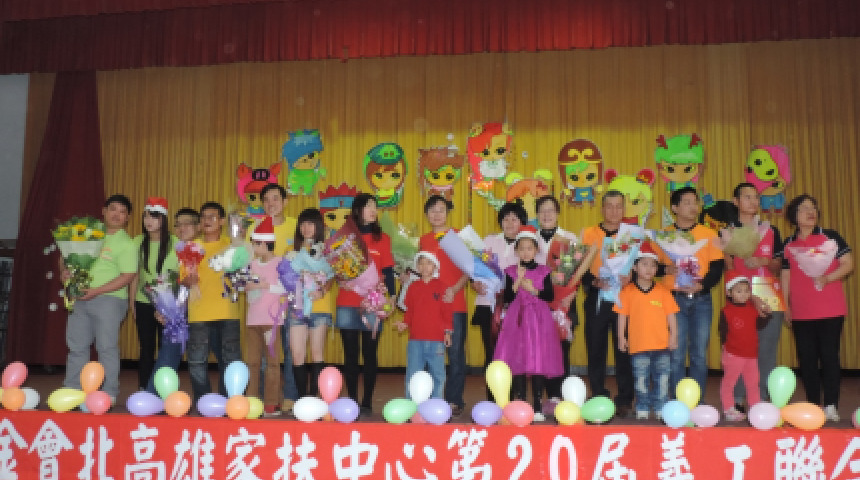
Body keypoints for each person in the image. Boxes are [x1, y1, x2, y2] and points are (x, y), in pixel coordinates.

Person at [780, 194, 853, 422]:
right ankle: (813, 404)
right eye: (804, 208)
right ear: (794, 215)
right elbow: (785, 275)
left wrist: (827, 278)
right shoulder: (788, 243)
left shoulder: (830, 237)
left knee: (830, 357)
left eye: (813, 208)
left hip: (831, 309)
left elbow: (848, 263)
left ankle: (831, 405)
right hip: (802, 311)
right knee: (807, 360)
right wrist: (785, 305)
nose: (811, 212)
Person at [61, 194, 138, 406]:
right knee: (77, 346)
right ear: (104, 211)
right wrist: (64, 272)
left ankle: (108, 392)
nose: (117, 215)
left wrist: (97, 290)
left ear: (127, 218)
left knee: (106, 347)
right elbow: (66, 256)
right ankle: (72, 390)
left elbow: (128, 276)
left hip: (110, 300)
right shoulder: (88, 234)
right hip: (80, 298)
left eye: (122, 212)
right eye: (113, 209)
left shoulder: (127, 244)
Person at [657, 186, 724, 396]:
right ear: (675, 208)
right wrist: (665, 269)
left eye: (695, 202)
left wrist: (702, 285)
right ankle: (676, 400)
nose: (693, 206)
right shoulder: (664, 235)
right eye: (686, 202)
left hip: (701, 299)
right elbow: (649, 266)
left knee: (699, 355)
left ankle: (697, 401)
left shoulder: (709, 234)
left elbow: (717, 267)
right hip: (673, 299)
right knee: (675, 353)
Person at [493, 228, 563, 421]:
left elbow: (549, 295)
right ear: (516, 251)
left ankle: (538, 406)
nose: (525, 252)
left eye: (529, 248)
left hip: (539, 319)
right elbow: (508, 297)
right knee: (518, 359)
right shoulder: (510, 271)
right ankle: (522, 403)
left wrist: (532, 289)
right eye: (522, 248)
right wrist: (518, 280)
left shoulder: (544, 270)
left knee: (538, 360)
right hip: (517, 319)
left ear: (536, 250)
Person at [335, 193, 396, 417]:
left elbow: (388, 270)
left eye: (374, 206)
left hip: (373, 303)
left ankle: (367, 401)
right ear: (357, 210)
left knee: (370, 354)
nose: (373, 210)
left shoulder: (383, 239)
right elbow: (335, 267)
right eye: (368, 206)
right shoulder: (345, 237)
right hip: (347, 301)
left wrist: (391, 297)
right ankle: (351, 400)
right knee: (350, 355)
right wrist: (341, 279)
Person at [727, 182, 785, 411]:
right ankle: (738, 398)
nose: (753, 201)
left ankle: (761, 399)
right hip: (740, 295)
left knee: (767, 349)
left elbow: (778, 265)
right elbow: (729, 268)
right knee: (739, 348)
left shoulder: (771, 230)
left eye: (756, 197)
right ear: (736, 202)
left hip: (769, 292)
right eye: (747, 197)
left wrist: (764, 261)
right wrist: (748, 296)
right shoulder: (729, 231)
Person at [534, 194, 596, 402]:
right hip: (538, 304)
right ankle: (543, 397)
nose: (547, 214)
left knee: (561, 350)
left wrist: (571, 294)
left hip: (564, 303)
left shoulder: (569, 239)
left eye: (551, 210)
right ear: (537, 215)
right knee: (540, 351)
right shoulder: (529, 240)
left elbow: (578, 271)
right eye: (542, 211)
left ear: (558, 213)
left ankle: (559, 396)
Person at [581, 190, 634, 417]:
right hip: (598, 296)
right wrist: (594, 281)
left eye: (618, 206)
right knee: (595, 348)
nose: (614, 211)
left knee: (624, 349)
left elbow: (644, 264)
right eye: (609, 206)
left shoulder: (632, 235)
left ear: (624, 209)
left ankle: (625, 398)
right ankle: (598, 394)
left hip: (624, 298)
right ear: (602, 209)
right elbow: (578, 267)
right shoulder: (588, 234)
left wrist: (631, 276)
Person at [186, 201, 242, 406]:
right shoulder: (191, 247)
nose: (207, 220)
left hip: (227, 312)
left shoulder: (233, 245)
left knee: (230, 360)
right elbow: (183, 279)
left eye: (212, 217)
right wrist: (188, 280)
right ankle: (204, 402)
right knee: (197, 361)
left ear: (222, 221)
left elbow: (243, 273)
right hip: (199, 313)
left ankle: (229, 402)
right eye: (203, 217)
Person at [615, 243, 678, 420]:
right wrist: (621, 337)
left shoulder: (663, 291)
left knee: (662, 379)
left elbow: (671, 316)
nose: (649, 269)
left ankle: (660, 406)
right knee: (640, 380)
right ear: (634, 267)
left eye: (653, 265)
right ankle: (642, 406)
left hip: (662, 346)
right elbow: (622, 316)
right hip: (638, 346)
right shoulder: (627, 291)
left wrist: (674, 336)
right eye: (644, 264)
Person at [471, 202, 528, 402]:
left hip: (516, 308)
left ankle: (514, 400)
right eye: (506, 219)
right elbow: (474, 268)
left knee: (515, 355)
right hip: (487, 305)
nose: (510, 223)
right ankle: (493, 400)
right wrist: (474, 283)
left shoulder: (527, 245)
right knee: (492, 354)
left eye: (514, 219)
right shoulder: (489, 241)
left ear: (522, 222)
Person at [418, 195, 469, 416]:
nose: (437, 214)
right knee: (429, 353)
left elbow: (469, 269)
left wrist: (455, 289)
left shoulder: (459, 236)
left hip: (454, 304)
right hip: (430, 307)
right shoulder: (423, 240)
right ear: (426, 215)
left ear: (447, 213)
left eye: (441, 209)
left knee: (455, 353)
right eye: (432, 210)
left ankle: (454, 400)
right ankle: (431, 398)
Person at [145, 207, 199, 394]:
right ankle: (154, 395)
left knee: (201, 360)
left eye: (187, 223)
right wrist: (163, 308)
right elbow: (167, 283)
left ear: (198, 226)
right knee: (168, 354)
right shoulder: (174, 250)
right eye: (178, 225)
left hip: (205, 313)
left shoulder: (204, 249)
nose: (182, 228)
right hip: (178, 313)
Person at [257, 183, 300, 414]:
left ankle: (291, 396)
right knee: (268, 352)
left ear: (285, 202)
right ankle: (268, 397)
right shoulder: (255, 228)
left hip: (291, 300)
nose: (270, 203)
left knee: (292, 349)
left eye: (275, 198)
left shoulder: (296, 227)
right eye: (266, 199)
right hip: (266, 303)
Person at [129, 197, 178, 391]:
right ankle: (144, 388)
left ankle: (165, 389)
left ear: (163, 219)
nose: (149, 221)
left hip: (169, 305)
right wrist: (132, 303)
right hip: (144, 302)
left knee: (167, 348)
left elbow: (181, 276)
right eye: (146, 216)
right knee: (146, 348)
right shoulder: (138, 242)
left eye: (154, 217)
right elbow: (134, 275)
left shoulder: (175, 243)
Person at [290, 208, 334, 397]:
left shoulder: (327, 251)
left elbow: (332, 276)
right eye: (303, 223)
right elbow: (285, 278)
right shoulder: (292, 252)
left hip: (320, 306)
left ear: (319, 226)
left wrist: (322, 290)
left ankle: (314, 398)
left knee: (317, 353)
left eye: (310, 223)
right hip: (297, 307)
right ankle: (302, 398)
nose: (306, 228)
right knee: (297, 354)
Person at [397, 251, 453, 400]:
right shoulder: (413, 287)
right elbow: (410, 311)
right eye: (421, 263)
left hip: (437, 340)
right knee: (413, 374)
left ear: (435, 266)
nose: (425, 266)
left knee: (438, 375)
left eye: (429, 263)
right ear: (417, 267)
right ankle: (411, 405)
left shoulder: (442, 287)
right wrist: (404, 324)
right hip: (415, 340)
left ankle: (436, 404)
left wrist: (447, 332)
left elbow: (447, 312)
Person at [245, 216, 286, 416]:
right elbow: (245, 287)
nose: (253, 247)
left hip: (272, 321)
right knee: (252, 362)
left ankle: (271, 402)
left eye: (255, 244)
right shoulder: (251, 264)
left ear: (264, 244)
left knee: (272, 362)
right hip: (253, 319)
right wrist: (245, 286)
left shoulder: (280, 263)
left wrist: (264, 285)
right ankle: (251, 400)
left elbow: (285, 288)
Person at [719, 273, 770, 421]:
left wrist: (766, 314)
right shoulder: (726, 311)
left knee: (753, 383)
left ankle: (755, 408)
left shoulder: (753, 309)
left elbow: (759, 325)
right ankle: (729, 409)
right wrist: (724, 350)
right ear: (729, 293)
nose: (743, 294)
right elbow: (723, 332)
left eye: (746, 291)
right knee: (729, 383)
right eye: (739, 291)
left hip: (751, 355)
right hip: (733, 354)